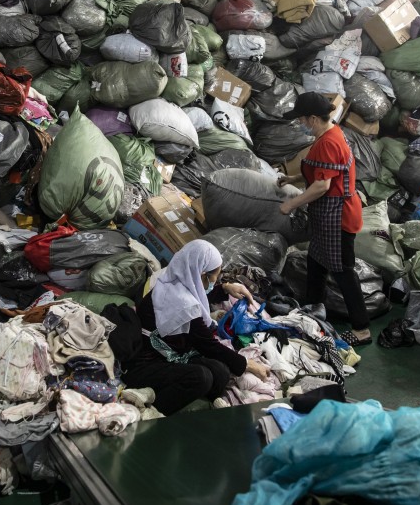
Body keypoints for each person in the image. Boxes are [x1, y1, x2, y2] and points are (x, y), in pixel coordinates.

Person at [114, 241, 270, 415]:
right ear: (201, 274)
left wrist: (225, 288)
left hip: (168, 355)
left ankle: (208, 402)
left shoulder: (172, 278)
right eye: (214, 278)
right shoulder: (184, 305)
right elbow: (209, 346)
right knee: (201, 377)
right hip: (143, 366)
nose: (215, 281)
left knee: (221, 371)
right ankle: (153, 411)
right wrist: (249, 364)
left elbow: (199, 293)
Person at [277, 92, 371, 346]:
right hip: (327, 217)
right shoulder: (329, 135)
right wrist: (294, 179)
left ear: (314, 118)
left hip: (338, 217)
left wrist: (292, 204)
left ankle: (361, 329)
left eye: (302, 120)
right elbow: (324, 170)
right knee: (316, 263)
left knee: (343, 271)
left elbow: (322, 185)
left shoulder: (328, 142)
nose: (301, 125)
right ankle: (311, 313)